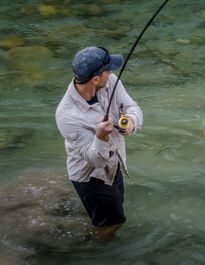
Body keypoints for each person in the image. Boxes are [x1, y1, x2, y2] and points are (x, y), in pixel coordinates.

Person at [55, 46, 143, 240]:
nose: (112, 72)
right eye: (108, 69)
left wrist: (130, 123)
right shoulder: (67, 116)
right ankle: (96, 249)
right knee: (112, 224)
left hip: (115, 165)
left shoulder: (110, 81)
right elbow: (95, 161)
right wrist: (101, 137)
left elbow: (132, 107)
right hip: (91, 178)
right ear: (95, 78)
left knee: (115, 209)